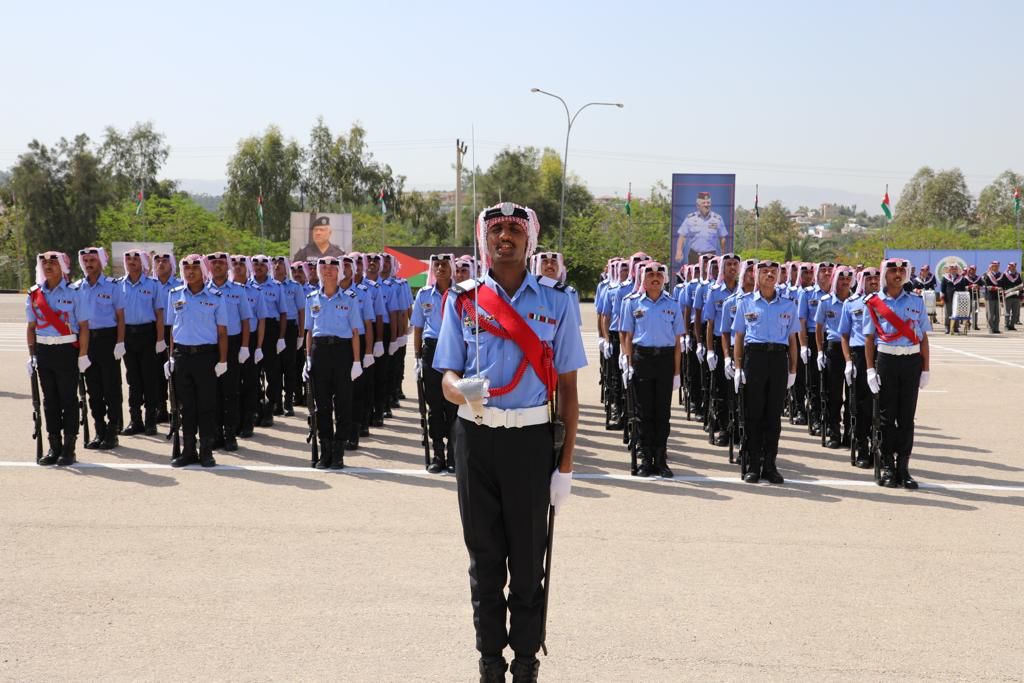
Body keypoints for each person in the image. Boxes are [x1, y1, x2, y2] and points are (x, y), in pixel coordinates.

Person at [434, 202, 585, 681]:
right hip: (476, 439)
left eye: (515, 229)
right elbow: (446, 375)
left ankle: (524, 663)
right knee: (484, 562)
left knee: (526, 562)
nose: (505, 236)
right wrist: (459, 389)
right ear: (484, 240)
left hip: (530, 442)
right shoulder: (463, 299)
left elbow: (568, 390)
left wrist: (565, 466)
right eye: (496, 229)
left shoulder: (558, 301)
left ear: (529, 240)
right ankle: (490, 663)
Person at [864, 257, 931, 489]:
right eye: (893, 270)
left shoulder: (916, 301)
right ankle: (888, 466)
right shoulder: (874, 302)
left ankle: (903, 467)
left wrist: (925, 368)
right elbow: (869, 338)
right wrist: (870, 369)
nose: (898, 274)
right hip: (887, 361)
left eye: (902, 271)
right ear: (885, 274)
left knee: (906, 418)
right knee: (886, 417)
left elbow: (923, 337)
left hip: (911, 361)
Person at [732, 261, 799, 484]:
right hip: (755, 358)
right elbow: (739, 337)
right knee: (754, 414)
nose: (769, 275)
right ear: (756, 275)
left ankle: (770, 464)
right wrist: (738, 367)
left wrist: (793, 369)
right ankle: (753, 463)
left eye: (773, 272)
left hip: (778, 359)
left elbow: (792, 340)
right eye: (764, 271)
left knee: (773, 416)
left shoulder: (788, 305)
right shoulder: (745, 302)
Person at [27, 251, 92, 466]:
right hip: (44, 352)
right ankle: (53, 446)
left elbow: (84, 326)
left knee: (68, 400)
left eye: (53, 262)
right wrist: (32, 355)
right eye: (44, 263)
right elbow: (31, 327)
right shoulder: (34, 294)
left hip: (66, 352)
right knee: (49, 401)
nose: (48, 266)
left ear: (62, 266)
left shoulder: (75, 292)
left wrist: (83, 354)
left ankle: (68, 448)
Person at [164, 255, 229, 467]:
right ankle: (188, 450)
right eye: (186, 268)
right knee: (186, 406)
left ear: (203, 271)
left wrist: (222, 360)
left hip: (206, 357)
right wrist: (171, 357)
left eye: (195, 268)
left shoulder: (216, 296)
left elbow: (222, 332)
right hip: (182, 356)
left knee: (206, 405)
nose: (190, 272)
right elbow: (172, 329)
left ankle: (206, 451)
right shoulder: (174, 294)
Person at [620, 261, 682, 477]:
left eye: (659, 275)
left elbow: (678, 342)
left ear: (664, 279)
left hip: (665, 360)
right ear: (642, 280)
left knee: (662, 413)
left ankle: (660, 459)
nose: (655, 279)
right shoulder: (632, 303)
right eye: (650, 275)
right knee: (643, 413)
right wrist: (628, 363)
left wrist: (677, 372)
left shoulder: (673, 304)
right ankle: (646, 459)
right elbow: (627, 335)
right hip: (642, 359)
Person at [303, 256, 364, 470]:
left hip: (342, 352)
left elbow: (355, 332)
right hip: (319, 352)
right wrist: (307, 357)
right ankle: (325, 449)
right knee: (322, 404)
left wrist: (357, 361)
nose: (328, 271)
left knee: (343, 403)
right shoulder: (311, 298)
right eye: (324, 268)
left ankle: (338, 451)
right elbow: (309, 331)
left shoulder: (349, 299)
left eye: (332, 268)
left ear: (339, 272)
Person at [76, 247, 125, 449]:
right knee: (93, 389)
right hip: (87, 342)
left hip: (108, 340)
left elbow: (121, 317)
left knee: (111, 388)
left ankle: (113, 430)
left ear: (101, 262)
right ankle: (99, 429)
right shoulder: (77, 287)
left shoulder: (113, 286)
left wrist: (120, 342)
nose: (88, 264)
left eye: (92, 260)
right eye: (86, 261)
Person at [413, 253, 458, 473]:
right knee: (435, 405)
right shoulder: (423, 294)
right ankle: (438, 453)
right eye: (437, 265)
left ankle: (453, 455)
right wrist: (417, 357)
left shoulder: (461, 293)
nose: (440, 268)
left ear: (452, 268)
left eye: (444, 265)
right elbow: (418, 327)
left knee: (453, 406)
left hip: (454, 349)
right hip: (431, 350)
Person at [207, 252, 252, 452]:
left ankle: (230, 434)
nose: (217, 266)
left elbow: (245, 320)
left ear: (228, 267)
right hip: (210, 345)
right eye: (214, 263)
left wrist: (244, 347)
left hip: (233, 344)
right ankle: (215, 433)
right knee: (212, 391)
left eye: (221, 263)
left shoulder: (238, 290)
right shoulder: (204, 290)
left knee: (230, 391)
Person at [117, 249, 165, 436]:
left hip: (147, 334)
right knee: (133, 379)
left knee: (150, 378)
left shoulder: (153, 284)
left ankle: (151, 421)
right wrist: (119, 341)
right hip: (128, 334)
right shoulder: (119, 285)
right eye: (128, 259)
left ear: (143, 262)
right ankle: (135, 420)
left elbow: (159, 314)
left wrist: (160, 339)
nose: (131, 262)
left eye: (136, 259)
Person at [839, 267, 880, 468]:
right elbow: (844, 335)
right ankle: (862, 447)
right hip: (860, 355)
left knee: (881, 405)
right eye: (869, 278)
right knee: (861, 405)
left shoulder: (886, 302)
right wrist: (848, 361)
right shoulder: (851, 303)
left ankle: (880, 449)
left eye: (876, 278)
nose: (873, 281)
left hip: (883, 353)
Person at [701, 253, 740, 446]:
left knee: (740, 390)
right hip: (720, 344)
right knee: (722, 390)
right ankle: (724, 429)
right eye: (729, 264)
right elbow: (709, 323)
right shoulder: (714, 291)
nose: (732, 267)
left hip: (740, 345)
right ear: (722, 268)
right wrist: (709, 350)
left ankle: (738, 428)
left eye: (735, 264)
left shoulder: (745, 290)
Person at [814, 266, 855, 449]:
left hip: (853, 349)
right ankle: (834, 432)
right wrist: (820, 351)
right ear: (835, 281)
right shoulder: (825, 301)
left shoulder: (856, 301)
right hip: (834, 349)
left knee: (852, 395)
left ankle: (849, 432)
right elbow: (819, 328)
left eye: (848, 279)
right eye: (841, 279)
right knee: (834, 394)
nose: (845, 282)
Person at [230, 255, 266, 439]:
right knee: (232, 383)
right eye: (234, 264)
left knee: (250, 383)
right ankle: (233, 422)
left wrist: (258, 347)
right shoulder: (224, 290)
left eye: (241, 264)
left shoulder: (256, 291)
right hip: (230, 340)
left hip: (250, 340)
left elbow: (261, 321)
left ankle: (248, 422)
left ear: (248, 267)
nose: (238, 267)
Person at [249, 255, 288, 427]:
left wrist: (281, 338)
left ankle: (270, 407)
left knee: (272, 373)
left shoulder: (277, 286)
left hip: (271, 331)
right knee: (253, 372)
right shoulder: (247, 286)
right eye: (255, 264)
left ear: (268, 267)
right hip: (252, 330)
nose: (259, 267)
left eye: (262, 265)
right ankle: (257, 407)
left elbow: (283, 313)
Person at [798, 262, 834, 436]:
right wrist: (804, 346)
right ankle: (815, 417)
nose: (827, 273)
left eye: (830, 271)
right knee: (814, 381)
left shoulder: (838, 294)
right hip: (813, 338)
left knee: (831, 382)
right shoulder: (807, 294)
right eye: (823, 271)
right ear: (816, 274)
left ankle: (830, 418)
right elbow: (802, 321)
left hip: (833, 339)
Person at [272, 256, 306, 415]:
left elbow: (301, 311)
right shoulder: (269, 286)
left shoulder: (295, 287)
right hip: (273, 327)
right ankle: (277, 403)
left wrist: (301, 334)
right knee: (274, 367)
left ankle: (288, 402)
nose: (277, 266)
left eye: (280, 263)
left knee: (289, 366)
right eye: (275, 263)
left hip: (290, 329)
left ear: (286, 267)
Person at [152, 251, 181, 423]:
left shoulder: (180, 285)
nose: (161, 264)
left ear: (172, 265)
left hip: (174, 329)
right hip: (154, 331)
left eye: (165, 261)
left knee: (176, 371)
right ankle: (160, 408)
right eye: (158, 261)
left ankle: (177, 408)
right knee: (156, 372)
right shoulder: (151, 284)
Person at [674, 191, 729, 265]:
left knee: (711, 273)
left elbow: (722, 238)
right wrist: (679, 251)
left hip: (711, 256)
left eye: (708, 203)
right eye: (704, 203)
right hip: (694, 256)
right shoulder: (690, 218)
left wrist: (723, 253)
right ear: (698, 205)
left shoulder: (718, 219)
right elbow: (682, 236)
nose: (706, 205)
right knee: (693, 272)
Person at [939, 264, 967, 334]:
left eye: (955, 269)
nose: (953, 270)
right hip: (948, 298)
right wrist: (942, 298)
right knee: (948, 313)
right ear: (949, 270)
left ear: (957, 270)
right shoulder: (945, 278)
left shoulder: (961, 278)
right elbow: (942, 289)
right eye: (952, 269)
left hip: (958, 298)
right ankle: (947, 327)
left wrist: (962, 298)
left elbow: (963, 289)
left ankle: (955, 327)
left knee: (957, 312)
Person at [1000, 262, 1021, 330]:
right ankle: (1006, 325)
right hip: (1008, 296)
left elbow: (1020, 284)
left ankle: (1012, 325)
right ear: (1008, 267)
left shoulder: (1018, 275)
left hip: (1016, 296)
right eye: (1011, 266)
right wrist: (1003, 293)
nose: (1012, 267)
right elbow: (1002, 284)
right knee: (1007, 312)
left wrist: (1021, 293)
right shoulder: (1005, 275)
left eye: (1013, 266)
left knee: (1015, 312)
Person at [983, 261, 1003, 333]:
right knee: (990, 314)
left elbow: (1003, 284)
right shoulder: (986, 275)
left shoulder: (1000, 275)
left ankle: (996, 328)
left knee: (997, 314)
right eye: (994, 266)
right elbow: (987, 286)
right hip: (990, 296)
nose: (996, 267)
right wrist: (996, 288)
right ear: (991, 266)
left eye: (997, 266)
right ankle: (991, 328)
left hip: (998, 297)